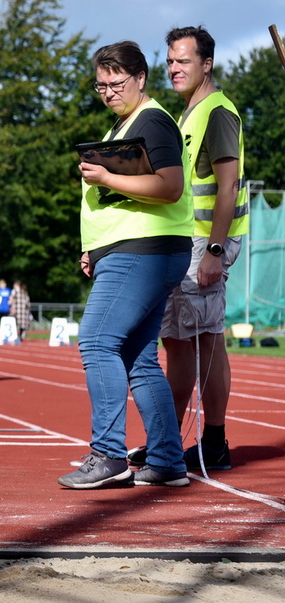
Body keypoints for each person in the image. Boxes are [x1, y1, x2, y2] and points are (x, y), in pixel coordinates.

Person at [57, 41, 192, 489]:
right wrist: (95, 248)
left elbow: (170, 187)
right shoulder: (126, 124)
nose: (109, 92)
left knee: (96, 342)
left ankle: (109, 455)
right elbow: (123, 203)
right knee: (138, 359)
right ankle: (169, 461)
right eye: (101, 85)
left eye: (117, 83)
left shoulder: (152, 121)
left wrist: (108, 176)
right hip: (139, 251)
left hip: (146, 252)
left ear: (140, 79)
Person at [126, 28, 249, 473]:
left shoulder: (217, 112)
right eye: (170, 62)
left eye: (184, 61)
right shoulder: (188, 115)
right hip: (187, 241)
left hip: (204, 242)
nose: (174, 69)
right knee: (183, 343)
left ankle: (202, 442)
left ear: (206, 64)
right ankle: (176, 442)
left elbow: (228, 184)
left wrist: (215, 249)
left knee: (202, 342)